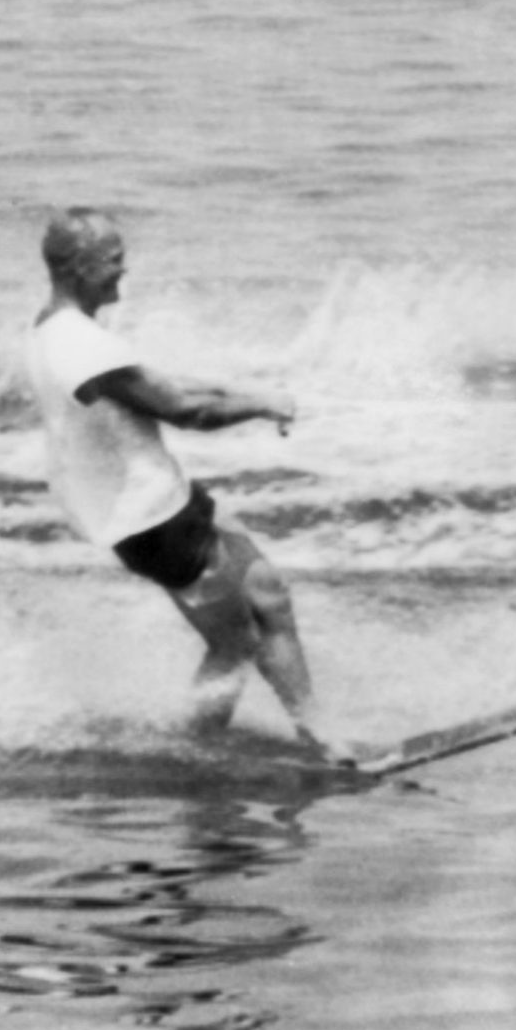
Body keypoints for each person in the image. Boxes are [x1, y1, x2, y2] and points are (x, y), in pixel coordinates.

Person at [23, 207, 345, 760]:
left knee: (268, 594)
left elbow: (148, 388)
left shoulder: (53, 328)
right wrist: (263, 404)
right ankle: (202, 754)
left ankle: (310, 733)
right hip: (151, 519)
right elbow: (185, 412)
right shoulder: (82, 345)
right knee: (236, 640)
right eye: (114, 260)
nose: (124, 271)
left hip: (155, 503)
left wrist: (228, 387)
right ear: (79, 266)